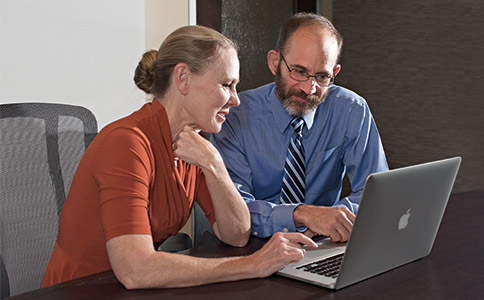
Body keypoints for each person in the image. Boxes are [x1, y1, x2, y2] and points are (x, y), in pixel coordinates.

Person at [42, 25, 316, 289]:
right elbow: (135, 269)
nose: (236, 99)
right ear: (183, 78)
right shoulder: (126, 143)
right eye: (226, 85)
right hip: (81, 291)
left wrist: (214, 165)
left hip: (131, 288)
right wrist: (252, 265)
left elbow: (236, 234)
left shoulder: (193, 145)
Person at [211, 13, 388, 243]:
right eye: (299, 71)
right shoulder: (233, 117)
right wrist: (301, 215)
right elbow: (234, 211)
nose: (309, 88)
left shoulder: (351, 110)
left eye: (322, 76)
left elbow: (374, 192)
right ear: (275, 63)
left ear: (334, 73)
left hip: (323, 243)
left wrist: (337, 218)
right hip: (253, 245)